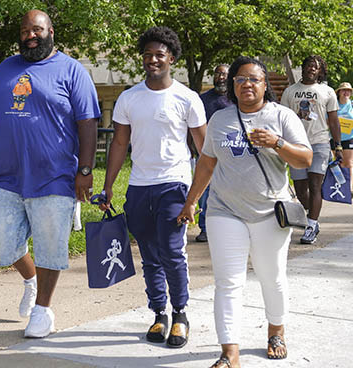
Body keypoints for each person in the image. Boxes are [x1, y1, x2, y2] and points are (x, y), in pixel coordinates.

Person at [0, 9, 101, 338]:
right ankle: (30, 280)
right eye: (26, 30)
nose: (31, 35)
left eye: (37, 29)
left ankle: (43, 310)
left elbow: (88, 123)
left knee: (50, 244)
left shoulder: (72, 71)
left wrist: (85, 169)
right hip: (5, 172)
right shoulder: (5, 68)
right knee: (2, 235)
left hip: (54, 174)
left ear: (51, 31)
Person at [177, 56, 312, 368]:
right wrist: (192, 200)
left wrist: (277, 143)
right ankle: (229, 352)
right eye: (240, 79)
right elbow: (207, 162)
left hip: (270, 213)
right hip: (225, 211)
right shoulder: (221, 120)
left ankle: (276, 331)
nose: (247, 84)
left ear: (265, 85)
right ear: (232, 85)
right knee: (228, 282)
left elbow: (304, 159)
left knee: (272, 277)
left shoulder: (282, 116)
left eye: (254, 79)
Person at [100, 26, 206, 348]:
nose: (153, 60)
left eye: (159, 54)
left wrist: (197, 196)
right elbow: (119, 143)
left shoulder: (187, 98)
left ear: (171, 58)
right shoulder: (129, 98)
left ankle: (180, 313)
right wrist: (108, 187)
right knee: (148, 254)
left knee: (172, 252)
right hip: (139, 187)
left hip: (174, 185)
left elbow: (205, 150)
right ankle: (159, 313)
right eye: (147, 55)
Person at [281, 55, 342, 244]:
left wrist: (337, 145)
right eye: (308, 65)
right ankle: (312, 215)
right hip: (297, 144)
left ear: (320, 71)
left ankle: (311, 224)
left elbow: (333, 120)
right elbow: (282, 119)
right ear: (303, 68)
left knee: (315, 185)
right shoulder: (291, 91)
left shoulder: (328, 92)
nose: (311, 69)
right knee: (300, 190)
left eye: (315, 67)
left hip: (320, 143)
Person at [195, 63, 231, 242]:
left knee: (228, 192)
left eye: (224, 74)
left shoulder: (235, 99)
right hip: (207, 152)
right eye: (217, 73)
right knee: (205, 191)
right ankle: (204, 228)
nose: (220, 77)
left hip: (231, 153)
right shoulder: (203, 100)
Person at [332, 82, 353, 192]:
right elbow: (328, 120)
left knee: (348, 163)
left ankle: (349, 187)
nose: (346, 92)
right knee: (338, 163)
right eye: (344, 90)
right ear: (339, 92)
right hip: (335, 138)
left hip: (349, 137)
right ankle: (339, 185)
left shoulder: (352, 105)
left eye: (349, 90)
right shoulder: (334, 105)